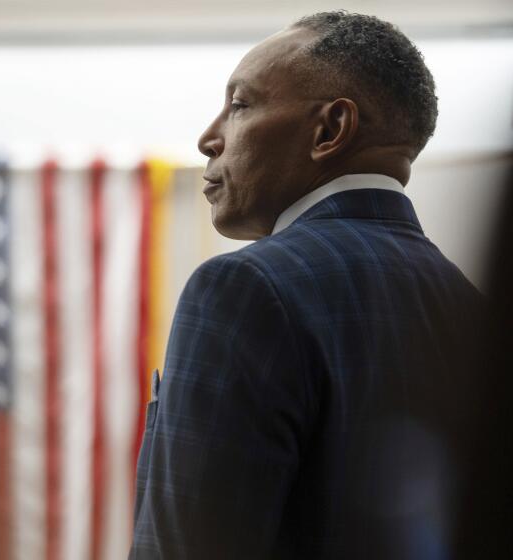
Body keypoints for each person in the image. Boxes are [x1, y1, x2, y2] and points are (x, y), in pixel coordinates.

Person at [130, 11, 485, 559]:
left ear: (329, 130)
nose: (208, 138)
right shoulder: (475, 310)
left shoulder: (242, 289)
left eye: (240, 105)